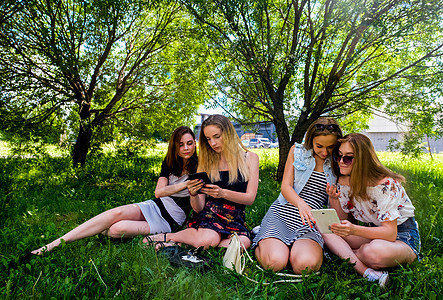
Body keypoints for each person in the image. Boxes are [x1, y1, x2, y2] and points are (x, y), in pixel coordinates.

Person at [31, 126, 198, 255]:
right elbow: (159, 193)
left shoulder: (199, 165)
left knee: (115, 229)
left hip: (170, 220)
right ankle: (51, 245)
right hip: (155, 205)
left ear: (195, 143)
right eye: (180, 144)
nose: (185, 148)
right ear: (174, 147)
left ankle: (93, 228)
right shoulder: (170, 162)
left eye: (189, 143)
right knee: (116, 213)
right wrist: (185, 184)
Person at [146, 114, 259, 249]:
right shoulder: (206, 162)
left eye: (217, 137)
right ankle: (172, 237)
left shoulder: (250, 158)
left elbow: (250, 198)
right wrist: (193, 194)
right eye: (208, 139)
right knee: (209, 240)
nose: (213, 143)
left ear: (228, 133)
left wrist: (222, 193)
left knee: (242, 244)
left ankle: (183, 241)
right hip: (209, 215)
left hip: (234, 218)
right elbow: (198, 208)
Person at [324, 133, 420, 288]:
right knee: (330, 230)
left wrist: (354, 230)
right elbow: (341, 220)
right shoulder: (343, 180)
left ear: (362, 160)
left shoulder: (386, 185)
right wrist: (334, 198)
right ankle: (368, 272)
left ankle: (347, 254)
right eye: (339, 156)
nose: (341, 162)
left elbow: (390, 233)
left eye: (348, 158)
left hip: (402, 237)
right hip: (372, 233)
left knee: (372, 252)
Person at [253, 117, 343, 274]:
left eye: (330, 147)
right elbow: (286, 188)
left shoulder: (339, 163)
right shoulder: (297, 152)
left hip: (310, 223)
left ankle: (294, 249)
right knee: (274, 263)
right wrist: (301, 204)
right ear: (311, 140)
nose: (324, 152)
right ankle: (263, 234)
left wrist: (333, 198)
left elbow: (336, 208)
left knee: (305, 266)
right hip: (282, 215)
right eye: (319, 146)